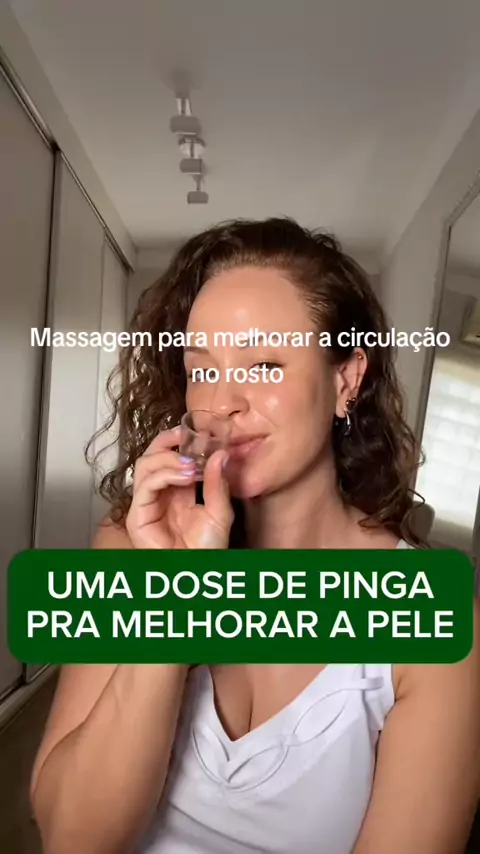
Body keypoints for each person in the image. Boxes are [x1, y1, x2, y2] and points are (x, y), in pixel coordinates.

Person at [30, 218, 480, 854]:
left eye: (265, 365)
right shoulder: (132, 545)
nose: (223, 402)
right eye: (202, 369)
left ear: (346, 380)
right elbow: (73, 838)